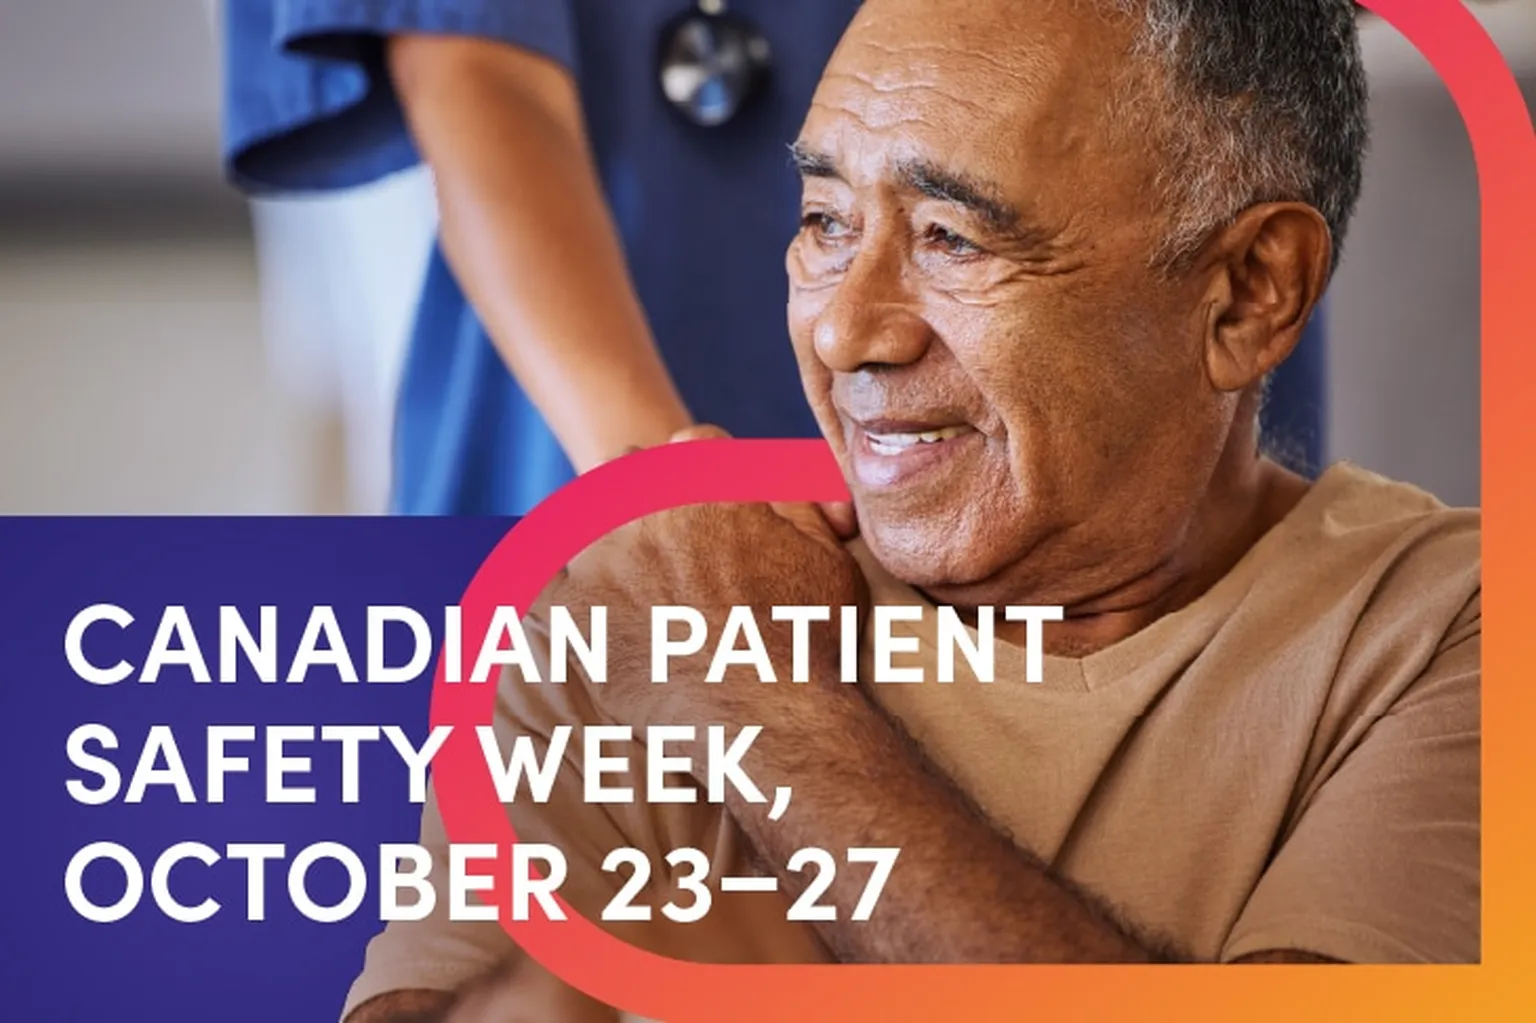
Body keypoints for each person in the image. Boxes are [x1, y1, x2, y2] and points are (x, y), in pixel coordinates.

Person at [345, 0, 1476, 1020]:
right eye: (826, 221)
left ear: (1247, 292)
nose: (846, 332)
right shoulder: (640, 603)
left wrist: (762, 713)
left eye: (953, 237)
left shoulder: (1449, 631)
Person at [221, 0, 1330, 518]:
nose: (855, 324)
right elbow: (475, 74)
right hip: (603, 439)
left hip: (1123, 470)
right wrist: (656, 487)